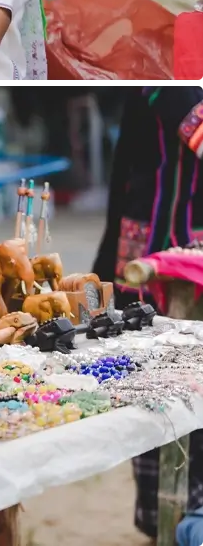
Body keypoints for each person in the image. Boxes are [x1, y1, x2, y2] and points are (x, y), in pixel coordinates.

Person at [92, 85, 203, 540]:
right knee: (160, 397)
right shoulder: (163, 69)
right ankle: (170, 522)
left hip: (187, 259)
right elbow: (192, 127)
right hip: (151, 260)